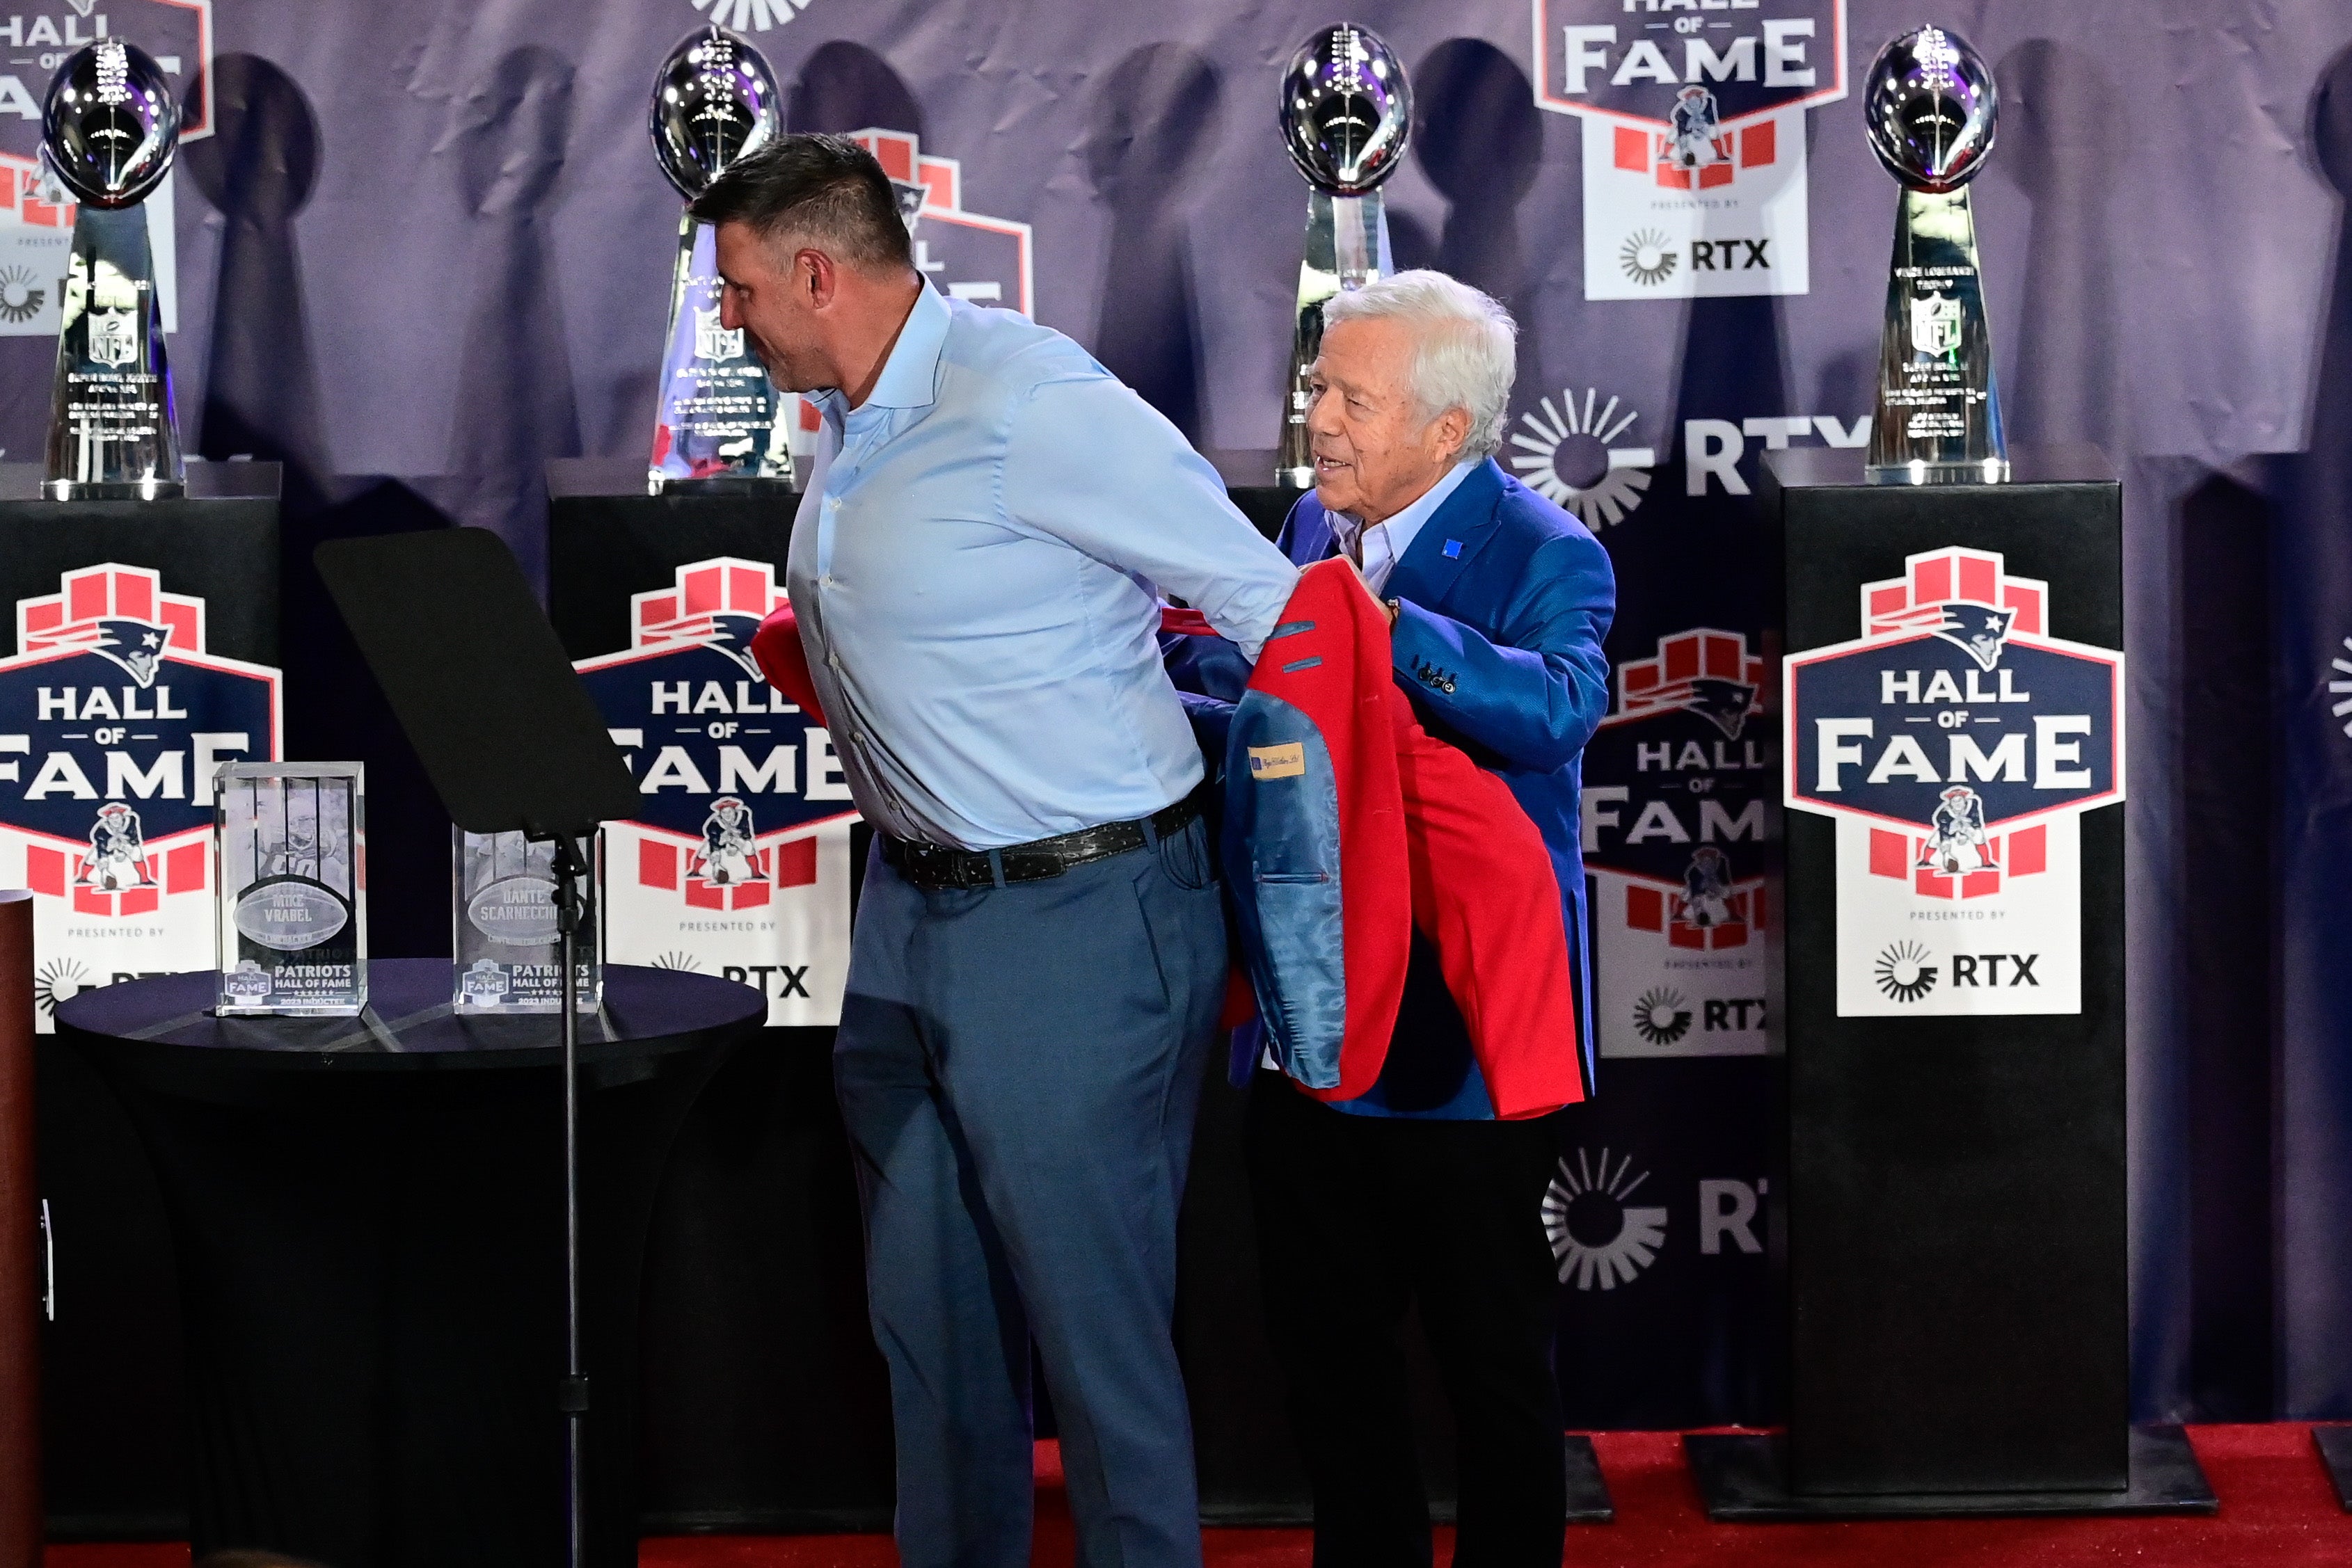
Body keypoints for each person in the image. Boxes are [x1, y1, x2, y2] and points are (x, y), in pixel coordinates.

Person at [688, 134, 1299, 1568]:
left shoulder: (1037, 404)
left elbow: (1269, 604)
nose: (728, 319)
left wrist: (1304, 867)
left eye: (739, 290)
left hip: (1078, 918)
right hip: (913, 910)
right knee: (931, 1323)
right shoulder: (856, 412)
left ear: (817, 273)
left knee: (1097, 1338)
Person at [1218, 271, 1614, 1567]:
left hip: (1464, 1036)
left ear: (1448, 430)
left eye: (1348, 395)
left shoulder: (1548, 549)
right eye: (1318, 383)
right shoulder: (1301, 531)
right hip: (1312, 1017)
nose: (1314, 414)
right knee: (1328, 1367)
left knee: (1494, 1370)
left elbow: (1557, 710)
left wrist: (1388, 633)